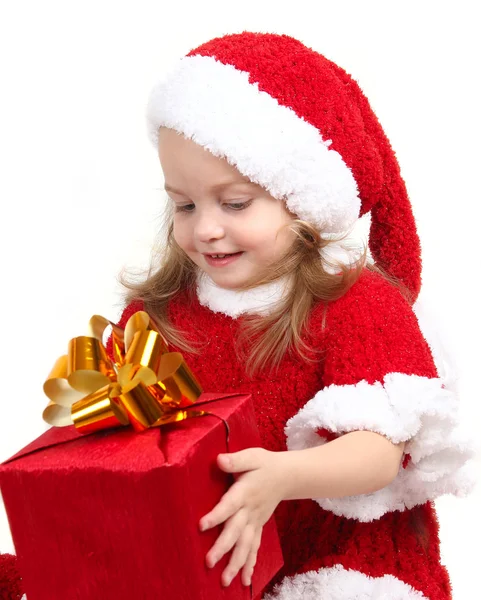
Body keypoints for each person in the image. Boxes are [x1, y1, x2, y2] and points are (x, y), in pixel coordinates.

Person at [108, 32, 474, 599]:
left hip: (337, 557)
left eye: (234, 203)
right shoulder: (159, 317)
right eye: (184, 204)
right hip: (219, 563)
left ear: (299, 198)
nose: (205, 228)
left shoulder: (356, 306)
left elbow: (379, 452)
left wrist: (281, 477)